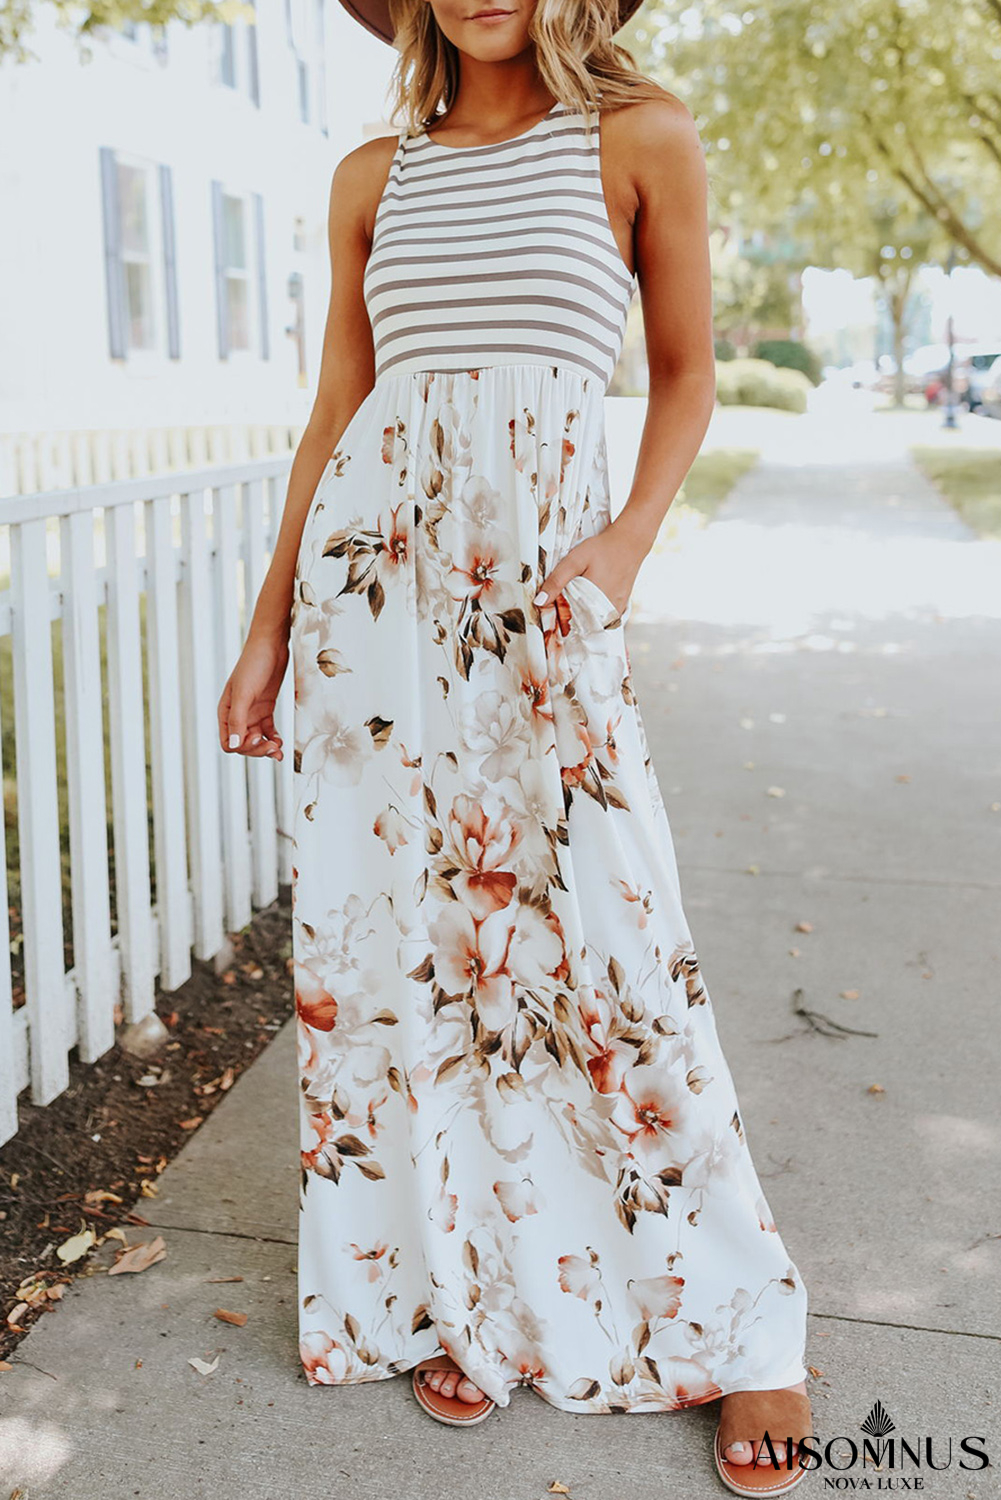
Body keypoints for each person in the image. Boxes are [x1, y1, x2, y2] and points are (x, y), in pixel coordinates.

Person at [217, 0, 813, 1490]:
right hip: (376, 613)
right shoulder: (375, 174)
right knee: (396, 957)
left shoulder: (636, 136)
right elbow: (337, 407)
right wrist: (270, 627)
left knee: (616, 943)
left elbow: (685, 375)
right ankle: (444, 1292)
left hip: (545, 604)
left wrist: (619, 552)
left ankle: (744, 1327)